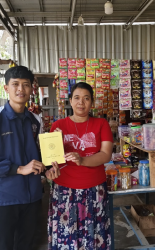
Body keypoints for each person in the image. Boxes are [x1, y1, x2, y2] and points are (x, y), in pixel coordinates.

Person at [0, 66, 60, 250]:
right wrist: (19, 168)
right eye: (15, 84)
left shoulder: (36, 121)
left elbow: (40, 158)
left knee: (27, 245)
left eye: (26, 85)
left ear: (31, 89)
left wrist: (50, 167)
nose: (21, 89)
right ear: (6, 88)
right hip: (2, 199)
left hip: (31, 198)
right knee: (3, 246)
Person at [47, 82, 113, 250]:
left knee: (93, 236)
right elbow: (52, 160)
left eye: (86, 98)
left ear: (92, 102)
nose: (81, 103)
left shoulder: (101, 124)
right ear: (70, 101)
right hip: (64, 191)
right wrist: (50, 171)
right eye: (76, 98)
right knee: (66, 237)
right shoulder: (58, 126)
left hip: (94, 190)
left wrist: (82, 160)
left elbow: (106, 155)